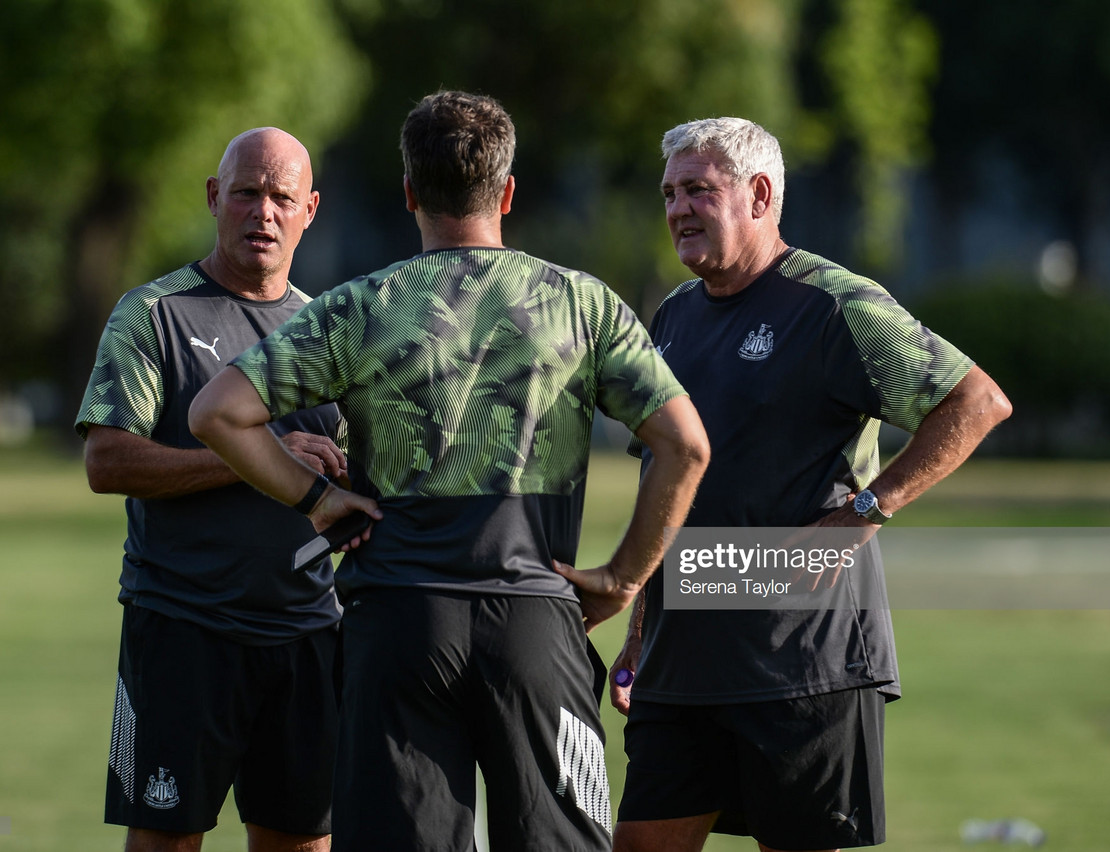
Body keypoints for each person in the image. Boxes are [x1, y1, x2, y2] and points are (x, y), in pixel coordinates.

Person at [188, 91, 711, 852]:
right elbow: (686, 446)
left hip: (397, 627)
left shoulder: (359, 306)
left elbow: (217, 414)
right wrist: (625, 578)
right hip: (536, 623)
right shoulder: (580, 301)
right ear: (505, 193)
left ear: (409, 194)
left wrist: (318, 498)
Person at [608, 118, 1013, 852]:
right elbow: (663, 476)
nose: (676, 209)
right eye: (669, 192)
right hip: (684, 652)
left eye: (698, 190)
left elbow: (976, 402)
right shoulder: (671, 315)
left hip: (804, 657)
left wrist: (866, 511)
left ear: (759, 195)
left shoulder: (833, 304)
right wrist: (642, 622)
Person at [75, 127, 348, 852]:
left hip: (309, 635)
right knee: (165, 840)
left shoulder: (330, 331)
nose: (263, 211)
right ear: (213, 197)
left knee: (302, 843)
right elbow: (107, 462)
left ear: (310, 210)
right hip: (182, 631)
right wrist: (253, 456)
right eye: (247, 192)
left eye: (281, 197)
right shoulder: (154, 314)